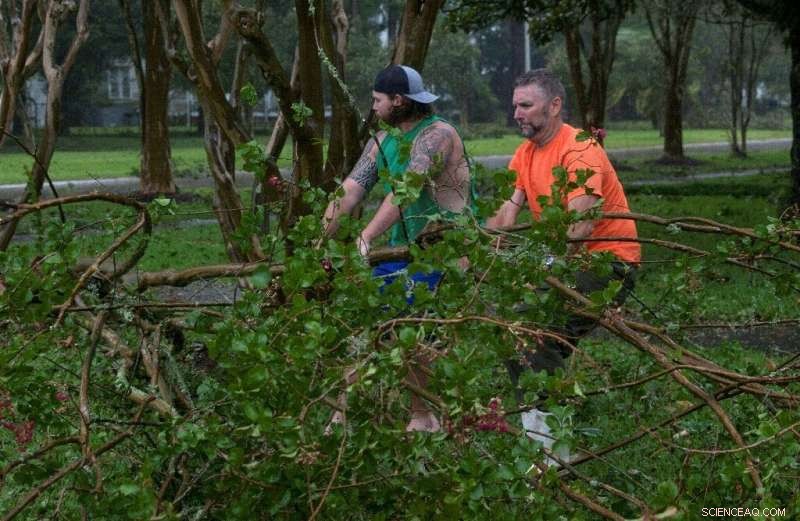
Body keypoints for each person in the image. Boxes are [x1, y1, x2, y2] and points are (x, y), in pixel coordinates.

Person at [487, 68, 640, 461]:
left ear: (554, 106)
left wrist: (540, 273)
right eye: (514, 106)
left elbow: (579, 226)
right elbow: (504, 218)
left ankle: (554, 453)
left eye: (526, 105)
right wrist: (469, 242)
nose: (517, 113)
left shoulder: (581, 149)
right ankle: (544, 441)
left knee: (531, 331)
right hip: (558, 263)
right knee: (516, 334)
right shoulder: (524, 154)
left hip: (608, 263)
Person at [321, 64, 473, 432]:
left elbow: (409, 185)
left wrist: (365, 235)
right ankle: (341, 415)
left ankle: (423, 417)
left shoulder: (438, 135)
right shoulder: (382, 141)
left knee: (418, 337)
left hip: (444, 251)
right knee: (368, 324)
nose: (373, 107)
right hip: (399, 252)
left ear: (398, 100)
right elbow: (352, 189)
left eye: (377, 100)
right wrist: (318, 240)